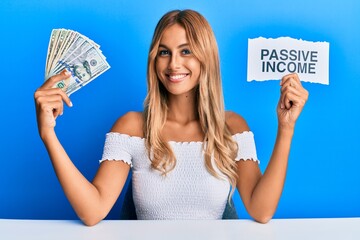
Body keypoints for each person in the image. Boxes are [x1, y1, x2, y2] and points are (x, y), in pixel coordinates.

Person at [34, 9, 308, 226]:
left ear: (206, 58)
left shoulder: (232, 127)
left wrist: (286, 127)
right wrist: (49, 134)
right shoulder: (132, 127)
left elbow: (261, 210)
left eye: (186, 51)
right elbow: (93, 211)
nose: (174, 64)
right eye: (164, 52)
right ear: (154, 60)